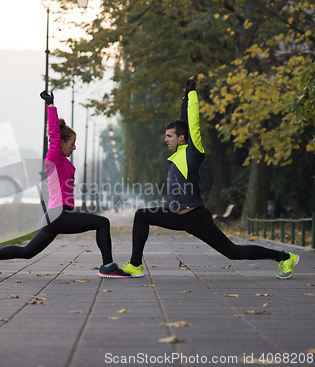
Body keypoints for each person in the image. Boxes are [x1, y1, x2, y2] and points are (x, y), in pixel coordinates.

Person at [121, 79, 299, 280]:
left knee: (233, 252)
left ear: (181, 138)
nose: (165, 139)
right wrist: (185, 96)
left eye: (169, 136)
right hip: (177, 215)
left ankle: (285, 257)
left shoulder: (192, 152)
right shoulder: (179, 152)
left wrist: (193, 94)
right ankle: (135, 264)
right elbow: (184, 122)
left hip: (195, 217)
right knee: (142, 215)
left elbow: (192, 123)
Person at [0, 91, 130, 279]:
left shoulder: (62, 160)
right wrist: (51, 105)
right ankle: (108, 266)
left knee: (27, 252)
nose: (74, 147)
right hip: (58, 214)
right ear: (61, 143)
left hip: (54, 214)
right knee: (102, 222)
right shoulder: (54, 157)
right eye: (72, 143)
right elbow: (54, 135)